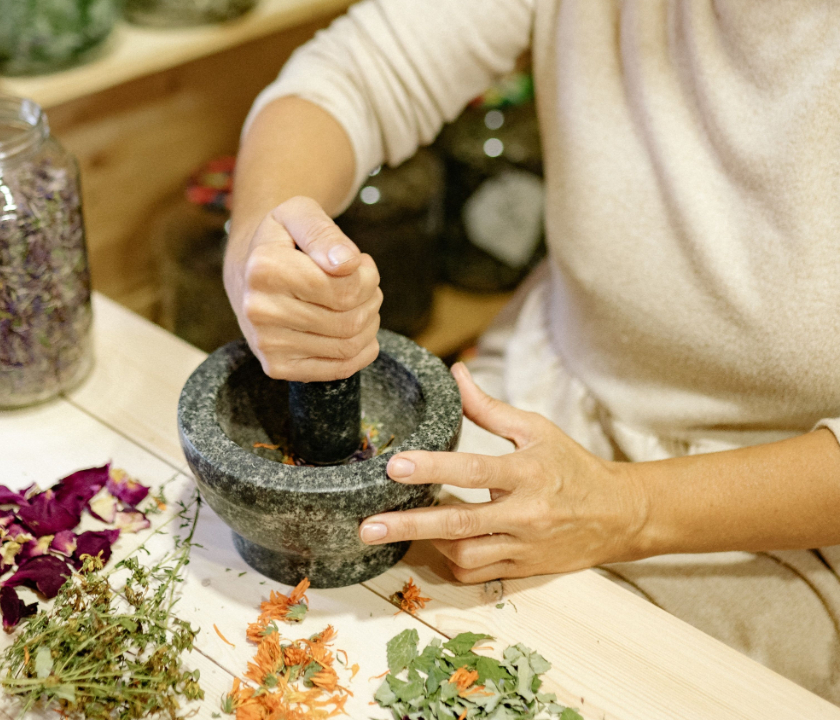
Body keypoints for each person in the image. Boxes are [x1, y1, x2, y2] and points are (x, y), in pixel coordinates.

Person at [224, 0, 840, 703]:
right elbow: (353, 74)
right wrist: (255, 249)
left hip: (780, 508)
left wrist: (628, 508)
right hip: (544, 393)